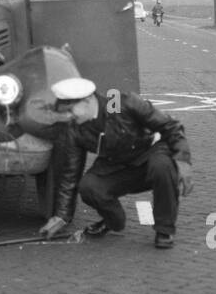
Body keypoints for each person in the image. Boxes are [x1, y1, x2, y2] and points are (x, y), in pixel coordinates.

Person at [37, 77, 193, 249]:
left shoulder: (123, 102)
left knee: (162, 166)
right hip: (118, 164)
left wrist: (183, 160)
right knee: (89, 187)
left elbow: (171, 126)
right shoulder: (73, 129)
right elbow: (70, 174)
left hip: (151, 153)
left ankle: (165, 230)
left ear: (88, 101)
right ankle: (113, 222)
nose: (69, 117)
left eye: (71, 110)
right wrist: (62, 216)